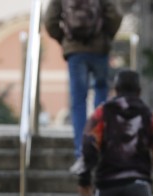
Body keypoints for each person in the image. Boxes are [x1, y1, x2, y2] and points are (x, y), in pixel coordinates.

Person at [45, 0, 123, 159]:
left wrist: (65, 39)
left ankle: (81, 150)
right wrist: (106, 35)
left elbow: (49, 20)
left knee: (78, 101)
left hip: (75, 51)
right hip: (99, 49)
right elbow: (116, 14)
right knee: (101, 96)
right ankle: (98, 142)